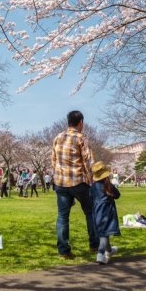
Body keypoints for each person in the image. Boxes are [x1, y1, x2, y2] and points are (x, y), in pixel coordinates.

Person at [51, 110, 98, 259]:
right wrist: (94, 179)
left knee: (62, 217)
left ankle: (64, 251)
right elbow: (89, 161)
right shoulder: (81, 138)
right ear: (81, 123)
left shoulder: (58, 138)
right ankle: (94, 245)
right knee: (90, 212)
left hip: (61, 182)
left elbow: (53, 161)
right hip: (78, 181)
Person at [90, 161, 121, 265]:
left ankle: (109, 250)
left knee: (103, 232)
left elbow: (90, 197)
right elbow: (117, 195)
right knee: (104, 234)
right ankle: (100, 253)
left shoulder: (93, 187)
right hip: (107, 211)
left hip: (97, 211)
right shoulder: (108, 185)